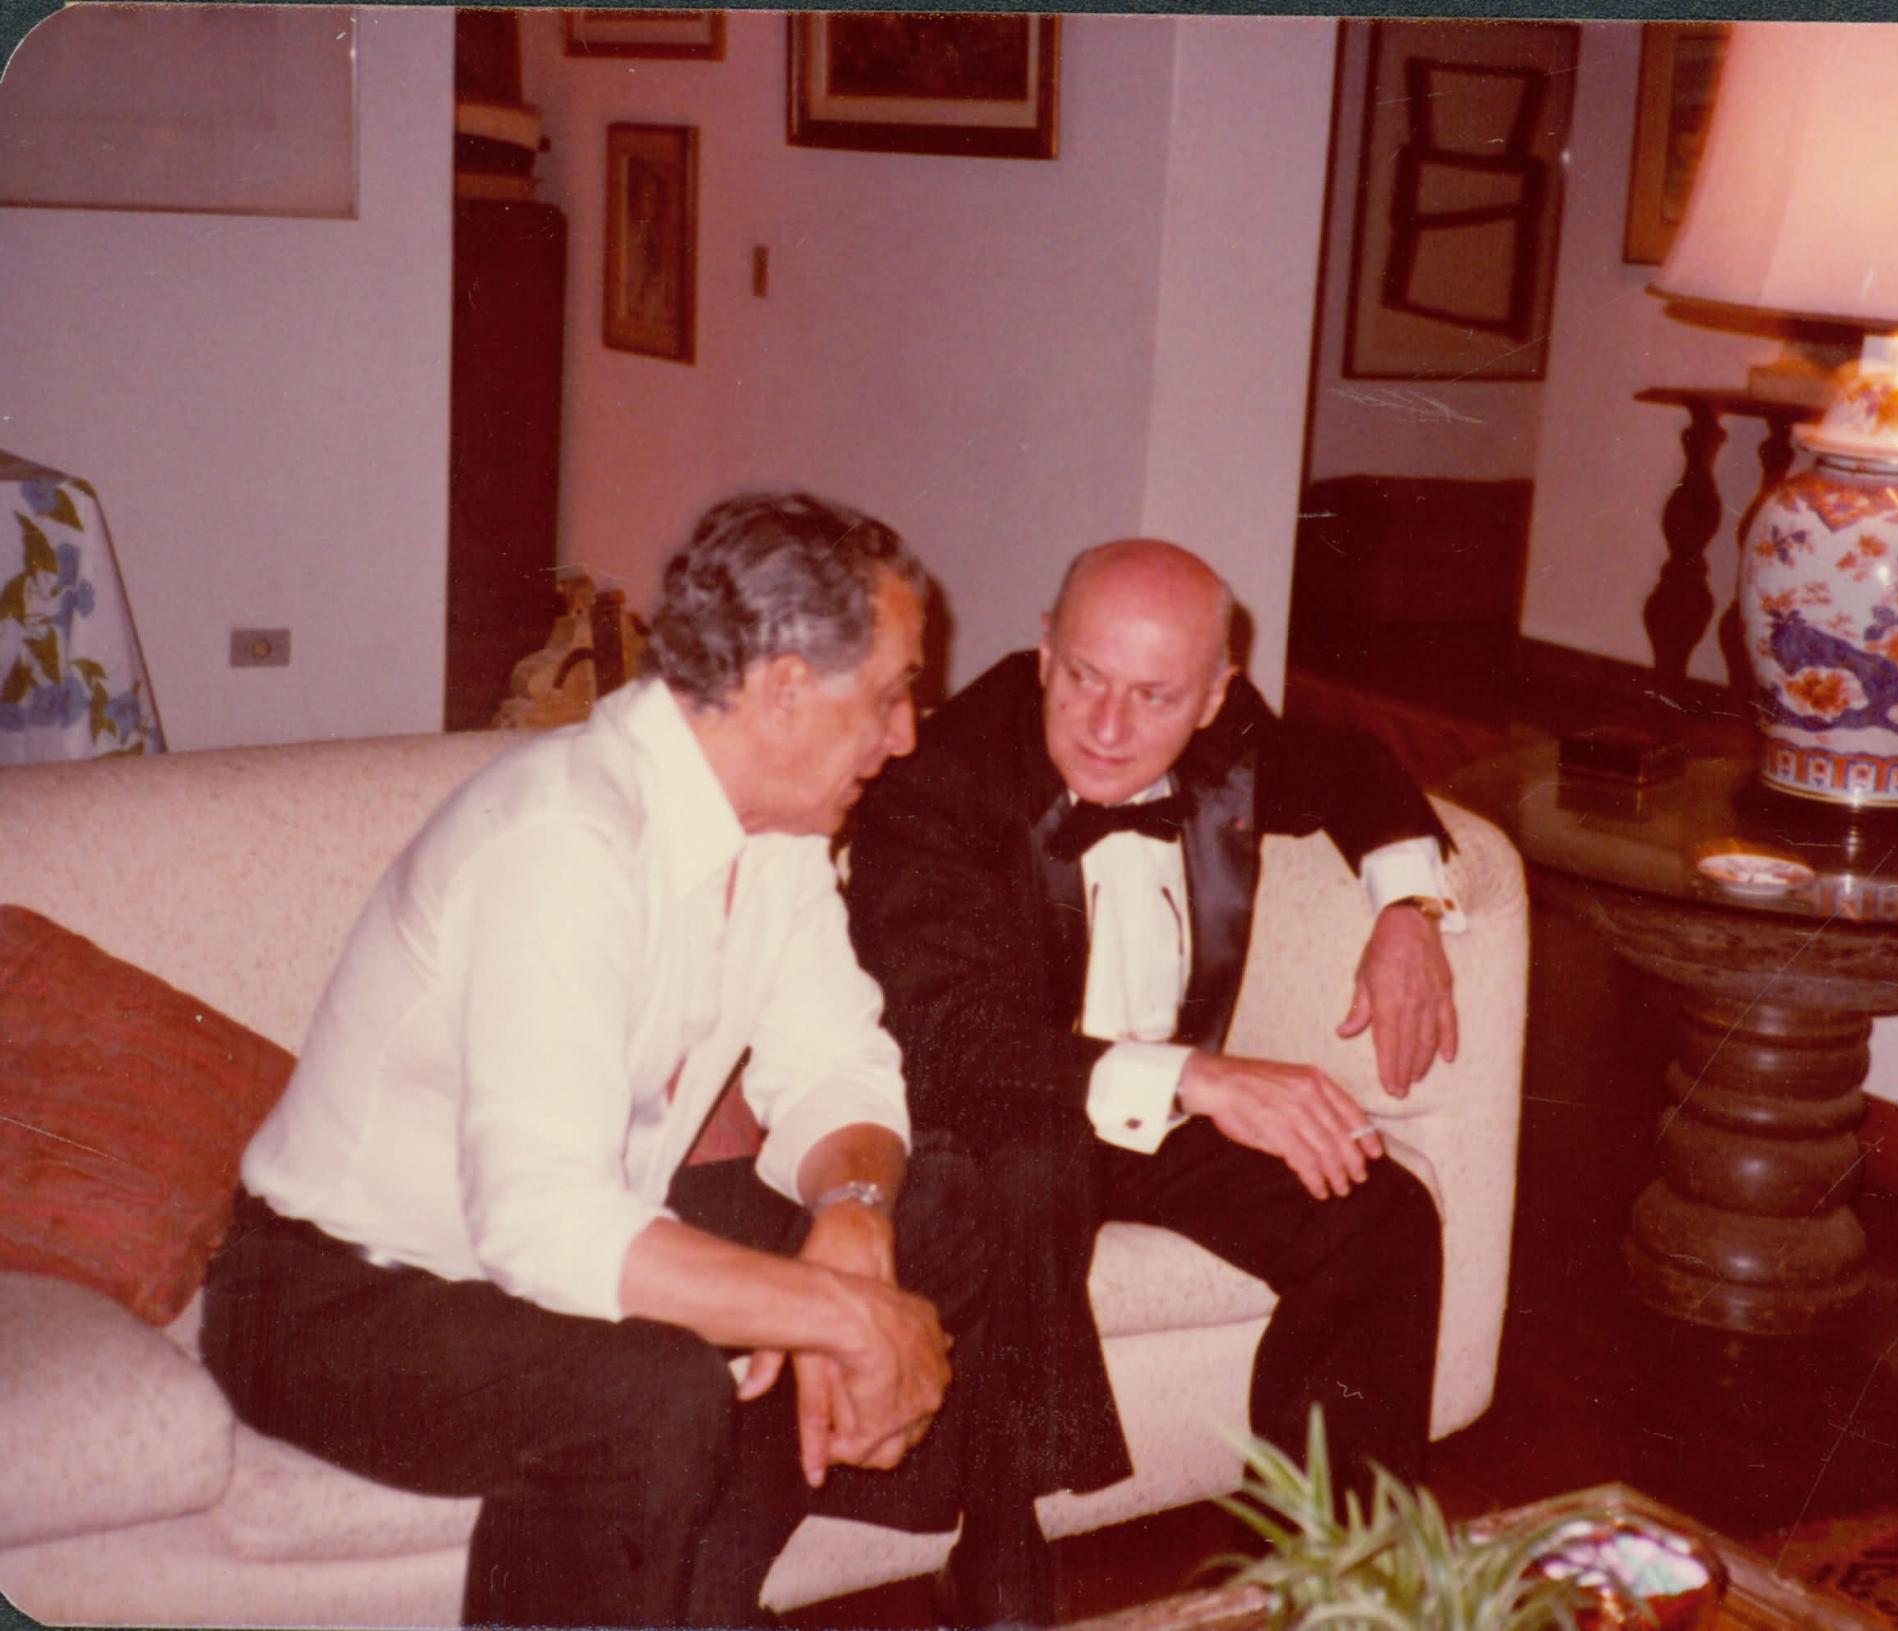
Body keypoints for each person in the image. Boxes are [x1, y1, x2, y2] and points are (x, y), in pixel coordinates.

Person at [201, 492, 1032, 1629]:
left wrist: (852, 1212)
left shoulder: (776, 833)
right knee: (648, 1389)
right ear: (785, 688)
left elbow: (839, 1063)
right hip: (339, 1297)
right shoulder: (565, 840)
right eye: (891, 694)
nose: (906, 736)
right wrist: (836, 1313)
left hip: (556, 1238)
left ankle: (697, 1607)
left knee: (936, 1203)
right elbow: (542, 1224)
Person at [843, 537, 1461, 1603]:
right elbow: (949, 1037)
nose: (1107, 726)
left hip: (1155, 1107)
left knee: (1379, 1212)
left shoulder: (1231, 740)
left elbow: (1356, 766)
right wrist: (1201, 1080)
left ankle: (1326, 1567)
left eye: (1153, 695)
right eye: (1083, 676)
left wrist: (1408, 909)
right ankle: (995, 1537)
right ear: (1044, 650)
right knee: (1032, 1170)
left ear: (1213, 695)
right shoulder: (936, 778)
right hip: (993, 1106)